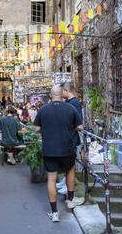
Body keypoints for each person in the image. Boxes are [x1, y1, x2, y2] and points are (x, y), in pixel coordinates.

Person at [34, 85, 84, 223]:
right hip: (67, 148)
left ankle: (54, 212)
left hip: (49, 149)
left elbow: (37, 128)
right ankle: (70, 201)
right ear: (62, 94)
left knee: (51, 178)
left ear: (51, 95)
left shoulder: (43, 109)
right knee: (70, 171)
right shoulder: (71, 108)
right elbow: (80, 127)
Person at [57, 82, 84, 195]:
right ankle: (64, 182)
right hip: (67, 136)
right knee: (66, 163)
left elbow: (78, 123)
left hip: (71, 137)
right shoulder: (69, 102)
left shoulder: (74, 103)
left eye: (61, 91)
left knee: (70, 164)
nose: (60, 93)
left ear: (66, 91)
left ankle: (68, 186)